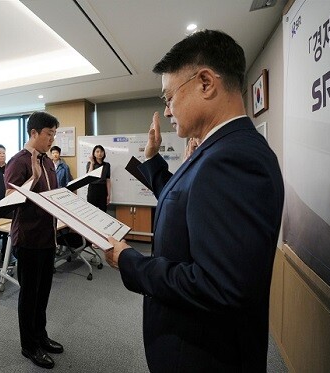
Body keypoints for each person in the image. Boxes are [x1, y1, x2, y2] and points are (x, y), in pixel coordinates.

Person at [104, 29, 285, 372]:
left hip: (203, 355)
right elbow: (182, 201)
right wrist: (154, 157)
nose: (168, 111)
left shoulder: (232, 159)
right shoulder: (219, 150)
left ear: (205, 83)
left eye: (169, 97)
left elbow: (220, 286)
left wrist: (130, 261)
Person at [4, 111, 62, 369]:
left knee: (43, 293)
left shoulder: (48, 161)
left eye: (54, 134)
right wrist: (34, 178)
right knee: (29, 295)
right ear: (33, 133)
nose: (51, 139)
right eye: (48, 134)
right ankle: (29, 346)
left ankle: (41, 336)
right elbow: (9, 200)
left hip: (48, 237)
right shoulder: (19, 162)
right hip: (28, 239)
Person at [86, 145, 111, 212]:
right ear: (94, 153)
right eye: (97, 151)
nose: (100, 153)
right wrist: (92, 163)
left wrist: (109, 195)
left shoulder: (107, 165)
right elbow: (88, 177)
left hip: (103, 189)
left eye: (101, 151)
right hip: (92, 189)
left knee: (103, 211)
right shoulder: (90, 164)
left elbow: (108, 180)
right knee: (91, 211)